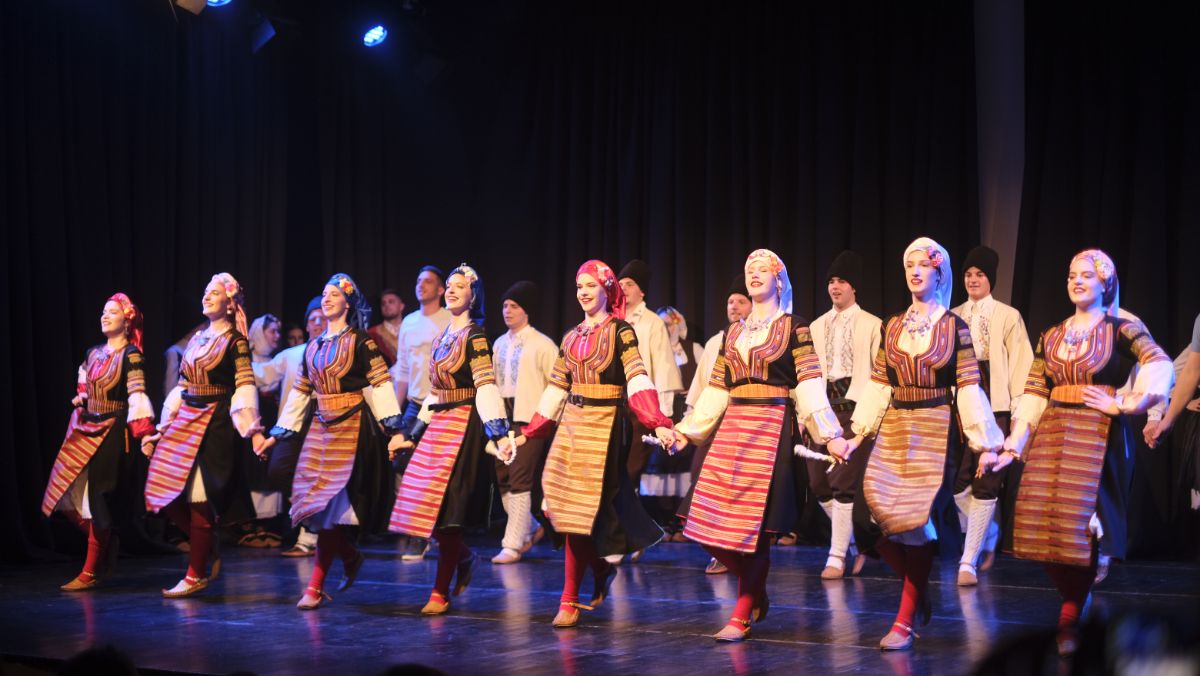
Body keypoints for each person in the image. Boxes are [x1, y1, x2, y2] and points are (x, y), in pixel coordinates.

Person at [671, 248, 846, 641]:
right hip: (734, 426)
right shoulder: (733, 332)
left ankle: (742, 609)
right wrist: (688, 430)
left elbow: (809, 384)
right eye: (749, 269)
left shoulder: (796, 328)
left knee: (757, 530)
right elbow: (718, 387)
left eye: (762, 270)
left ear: (778, 280)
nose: (753, 274)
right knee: (701, 521)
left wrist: (830, 435)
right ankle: (756, 591)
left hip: (772, 425)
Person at [1003, 249, 1171, 655]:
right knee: (1044, 525)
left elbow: (1159, 363)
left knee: (1083, 529)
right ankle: (1076, 598)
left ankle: (1070, 614)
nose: (1077, 281)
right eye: (1071, 275)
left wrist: (1126, 403)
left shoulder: (1121, 329)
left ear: (1104, 283)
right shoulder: (1051, 335)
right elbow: (1035, 389)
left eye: (1086, 275)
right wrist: (1015, 442)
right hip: (1054, 431)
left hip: (1097, 436)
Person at [843, 237, 1004, 651]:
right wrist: (857, 433)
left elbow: (969, 386)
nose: (915, 272)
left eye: (923, 265)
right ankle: (919, 592)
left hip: (935, 427)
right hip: (895, 425)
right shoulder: (892, 325)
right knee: (867, 518)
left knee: (916, 522)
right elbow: (880, 382)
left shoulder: (955, 327)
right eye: (909, 265)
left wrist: (985, 441)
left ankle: (905, 618)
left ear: (939, 274)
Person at [500, 259, 675, 628]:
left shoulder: (621, 332)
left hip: (606, 423)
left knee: (584, 511)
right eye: (579, 286)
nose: (583, 292)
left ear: (607, 290)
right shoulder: (571, 337)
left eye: (591, 285)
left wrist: (657, 421)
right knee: (561, 508)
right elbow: (556, 388)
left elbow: (637, 377)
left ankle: (569, 598)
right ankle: (596, 570)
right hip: (572, 423)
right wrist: (530, 431)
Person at [263, 274, 406, 609]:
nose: (326, 299)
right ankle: (349, 556)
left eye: (334, 294)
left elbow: (381, 385)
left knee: (329, 509)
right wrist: (278, 433)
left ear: (347, 302)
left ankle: (315, 586)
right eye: (324, 293)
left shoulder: (361, 342)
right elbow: (300, 393)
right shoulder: (312, 347)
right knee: (316, 505)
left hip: (351, 428)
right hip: (320, 428)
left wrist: (394, 429)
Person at [389, 264, 511, 615]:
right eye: (451, 285)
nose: (454, 290)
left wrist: (498, 431)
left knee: (449, 512)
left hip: (464, 425)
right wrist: (413, 432)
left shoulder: (476, 337)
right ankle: (465, 557)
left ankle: (439, 591)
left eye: (461, 286)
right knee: (427, 505)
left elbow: (485, 385)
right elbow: (434, 392)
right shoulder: (443, 337)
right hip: (439, 423)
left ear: (474, 295)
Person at [142, 273, 268, 598]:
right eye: (205, 292)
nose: (206, 296)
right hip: (186, 417)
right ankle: (207, 542)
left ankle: (195, 573)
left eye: (214, 293)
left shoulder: (236, 341)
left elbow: (244, 385)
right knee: (162, 491)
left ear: (230, 303)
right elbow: (182, 385)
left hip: (215, 422)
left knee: (199, 498)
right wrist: (162, 429)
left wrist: (252, 431)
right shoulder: (198, 339)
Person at [42, 293, 155, 590]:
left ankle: (90, 570)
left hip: (113, 430)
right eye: (103, 311)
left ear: (127, 321)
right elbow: (84, 377)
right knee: (64, 491)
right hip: (86, 424)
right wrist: (82, 395)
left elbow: (137, 395)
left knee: (98, 499)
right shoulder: (93, 352)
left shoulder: (131, 355)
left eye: (112, 312)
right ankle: (107, 539)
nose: (104, 316)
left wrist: (144, 433)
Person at [949, 245, 1034, 585]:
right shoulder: (951, 316)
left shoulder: (1007, 316)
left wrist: (1016, 413)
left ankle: (968, 559)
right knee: (958, 484)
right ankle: (989, 530)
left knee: (986, 479)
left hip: (995, 404)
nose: (973, 280)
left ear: (991, 279)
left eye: (980, 274)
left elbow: (1022, 366)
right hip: (960, 406)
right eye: (968, 274)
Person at [807, 250, 882, 579]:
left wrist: (871, 418)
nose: (835, 287)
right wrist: (805, 413)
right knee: (818, 483)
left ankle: (836, 556)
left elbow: (879, 376)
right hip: (822, 410)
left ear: (854, 286)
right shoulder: (815, 326)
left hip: (855, 409)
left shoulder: (872, 324)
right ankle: (854, 543)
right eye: (831, 281)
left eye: (842, 281)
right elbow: (806, 374)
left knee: (843, 483)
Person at [685, 274, 752, 574]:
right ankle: (717, 544)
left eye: (741, 301)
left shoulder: (759, 338)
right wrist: (689, 421)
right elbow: (701, 386)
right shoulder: (716, 342)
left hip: (745, 422)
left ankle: (733, 548)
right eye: (730, 301)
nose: (734, 306)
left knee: (736, 486)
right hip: (714, 421)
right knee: (700, 476)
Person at [490, 281, 558, 565]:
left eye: (514, 306)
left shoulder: (543, 345)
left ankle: (513, 545)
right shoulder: (498, 344)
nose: (507, 310)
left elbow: (558, 385)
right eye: (505, 305)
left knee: (519, 477)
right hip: (503, 419)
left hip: (529, 420)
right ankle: (530, 527)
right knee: (503, 479)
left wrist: (547, 420)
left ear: (526, 310)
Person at [253, 298, 326, 557]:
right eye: (312, 319)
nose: (318, 322)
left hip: (323, 425)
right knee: (279, 471)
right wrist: (238, 357)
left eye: (322, 317)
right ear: (306, 325)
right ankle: (312, 520)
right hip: (292, 425)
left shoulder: (337, 351)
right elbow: (262, 375)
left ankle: (311, 537)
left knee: (317, 478)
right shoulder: (292, 355)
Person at [389, 266, 453, 561]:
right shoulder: (410, 322)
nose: (421, 285)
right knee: (402, 463)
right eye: (418, 281)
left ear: (440, 290)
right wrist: (393, 413)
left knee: (431, 470)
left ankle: (425, 534)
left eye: (428, 282)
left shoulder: (449, 319)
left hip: (441, 402)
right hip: (415, 403)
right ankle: (419, 529)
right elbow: (403, 370)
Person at [618, 260, 683, 498]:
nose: (623, 288)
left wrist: (662, 415)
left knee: (633, 464)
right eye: (620, 284)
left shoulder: (652, 322)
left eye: (630, 284)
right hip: (614, 401)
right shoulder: (611, 320)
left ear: (642, 291)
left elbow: (663, 367)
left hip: (641, 404)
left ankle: (628, 514)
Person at [642, 306, 703, 541]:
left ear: (678, 325)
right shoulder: (652, 352)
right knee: (660, 469)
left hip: (685, 414)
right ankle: (664, 523)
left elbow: (705, 381)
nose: (666, 329)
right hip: (660, 414)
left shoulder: (693, 349)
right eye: (662, 325)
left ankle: (683, 524)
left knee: (683, 469)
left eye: (668, 324)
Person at [242, 313, 285, 547]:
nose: (277, 336)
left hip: (271, 424)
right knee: (252, 472)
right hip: (251, 426)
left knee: (268, 474)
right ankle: (251, 524)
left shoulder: (279, 361)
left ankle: (268, 525)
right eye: (272, 331)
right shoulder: (246, 361)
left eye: (278, 331)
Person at [368, 288, 406, 367]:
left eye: (391, 302)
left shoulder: (413, 330)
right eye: (383, 303)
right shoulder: (372, 333)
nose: (387, 305)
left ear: (401, 306)